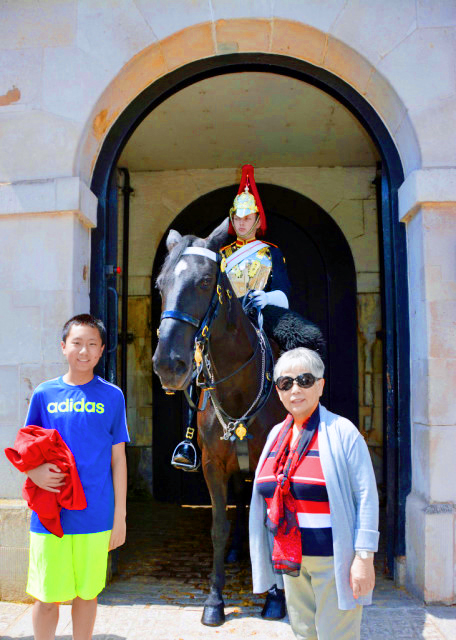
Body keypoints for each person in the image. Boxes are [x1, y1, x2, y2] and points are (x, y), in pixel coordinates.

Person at [172, 165, 324, 470]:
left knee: (303, 348)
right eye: (237, 219)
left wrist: (265, 298)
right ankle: (190, 438)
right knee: (196, 361)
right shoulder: (221, 255)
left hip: (264, 311)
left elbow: (284, 291)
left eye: (247, 218)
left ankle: (307, 426)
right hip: (226, 317)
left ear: (257, 220)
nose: (242, 224)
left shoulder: (271, 253)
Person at [250, 347, 379, 640]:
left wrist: (364, 557)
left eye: (305, 380)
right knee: (302, 634)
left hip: (335, 561)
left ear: (320, 385)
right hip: (292, 559)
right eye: (286, 383)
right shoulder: (275, 437)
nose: (295, 389)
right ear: (279, 391)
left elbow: (367, 496)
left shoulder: (342, 432)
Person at [20, 314, 129, 640]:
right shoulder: (44, 394)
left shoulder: (113, 396)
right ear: (64, 347)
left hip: (95, 515)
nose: (84, 351)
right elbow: (26, 448)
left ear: (102, 350)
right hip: (50, 515)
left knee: (87, 593)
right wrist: (34, 472)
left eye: (92, 344)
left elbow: (118, 459)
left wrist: (120, 516)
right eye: (77, 343)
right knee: (47, 595)